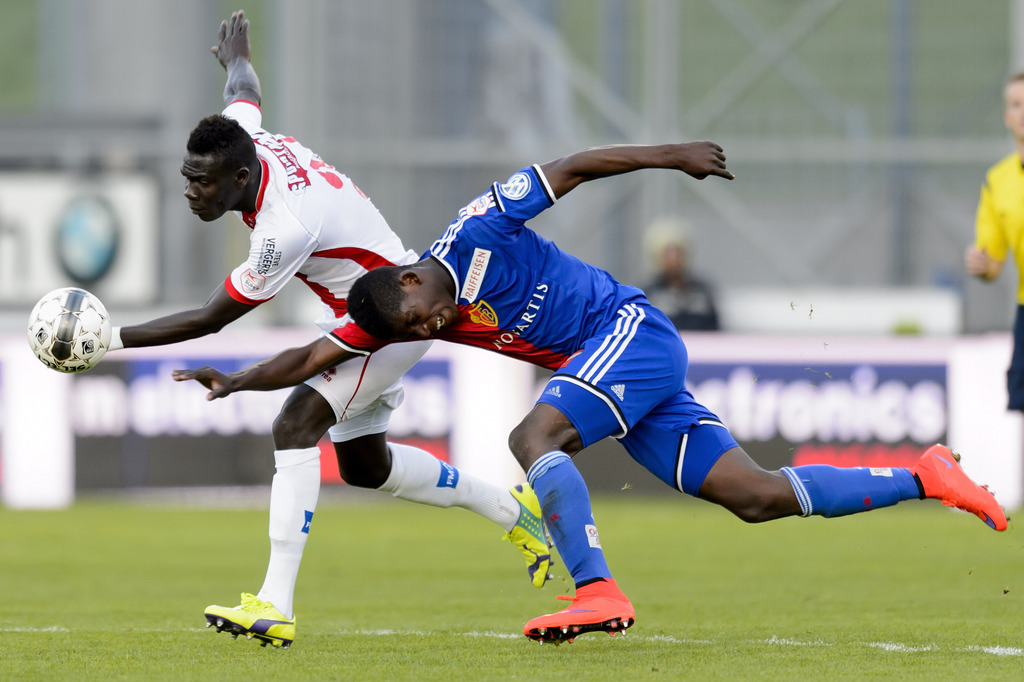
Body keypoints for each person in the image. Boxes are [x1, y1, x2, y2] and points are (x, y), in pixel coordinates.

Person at [174, 140, 1007, 645]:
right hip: (610, 367)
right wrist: (236, 380)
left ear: (412, 279)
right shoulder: (401, 313)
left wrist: (671, 158)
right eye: (416, 331)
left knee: (531, 438)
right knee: (753, 496)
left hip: (629, 331)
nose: (431, 330)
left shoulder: (476, 229)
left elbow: (570, 168)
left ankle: (596, 588)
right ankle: (926, 476)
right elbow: (311, 353)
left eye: (421, 317)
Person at [103, 11, 551, 649]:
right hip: (370, 304)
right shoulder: (243, 142)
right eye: (187, 179)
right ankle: (511, 509)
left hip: (389, 318)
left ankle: (274, 604)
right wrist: (236, 59)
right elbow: (244, 94)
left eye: (201, 183)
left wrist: (109, 340)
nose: (191, 192)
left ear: (239, 179)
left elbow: (209, 318)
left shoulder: (284, 227)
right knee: (366, 468)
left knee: (294, 424)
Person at [966, 72, 1024, 416]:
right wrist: (982, 265)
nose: (1023, 112)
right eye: (1016, 104)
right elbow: (993, 262)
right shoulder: (998, 180)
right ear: (1007, 116)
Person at [642, 217, 720, 331]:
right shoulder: (649, 294)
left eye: (677, 252)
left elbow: (714, 328)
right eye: (667, 253)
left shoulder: (702, 291)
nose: (674, 259)